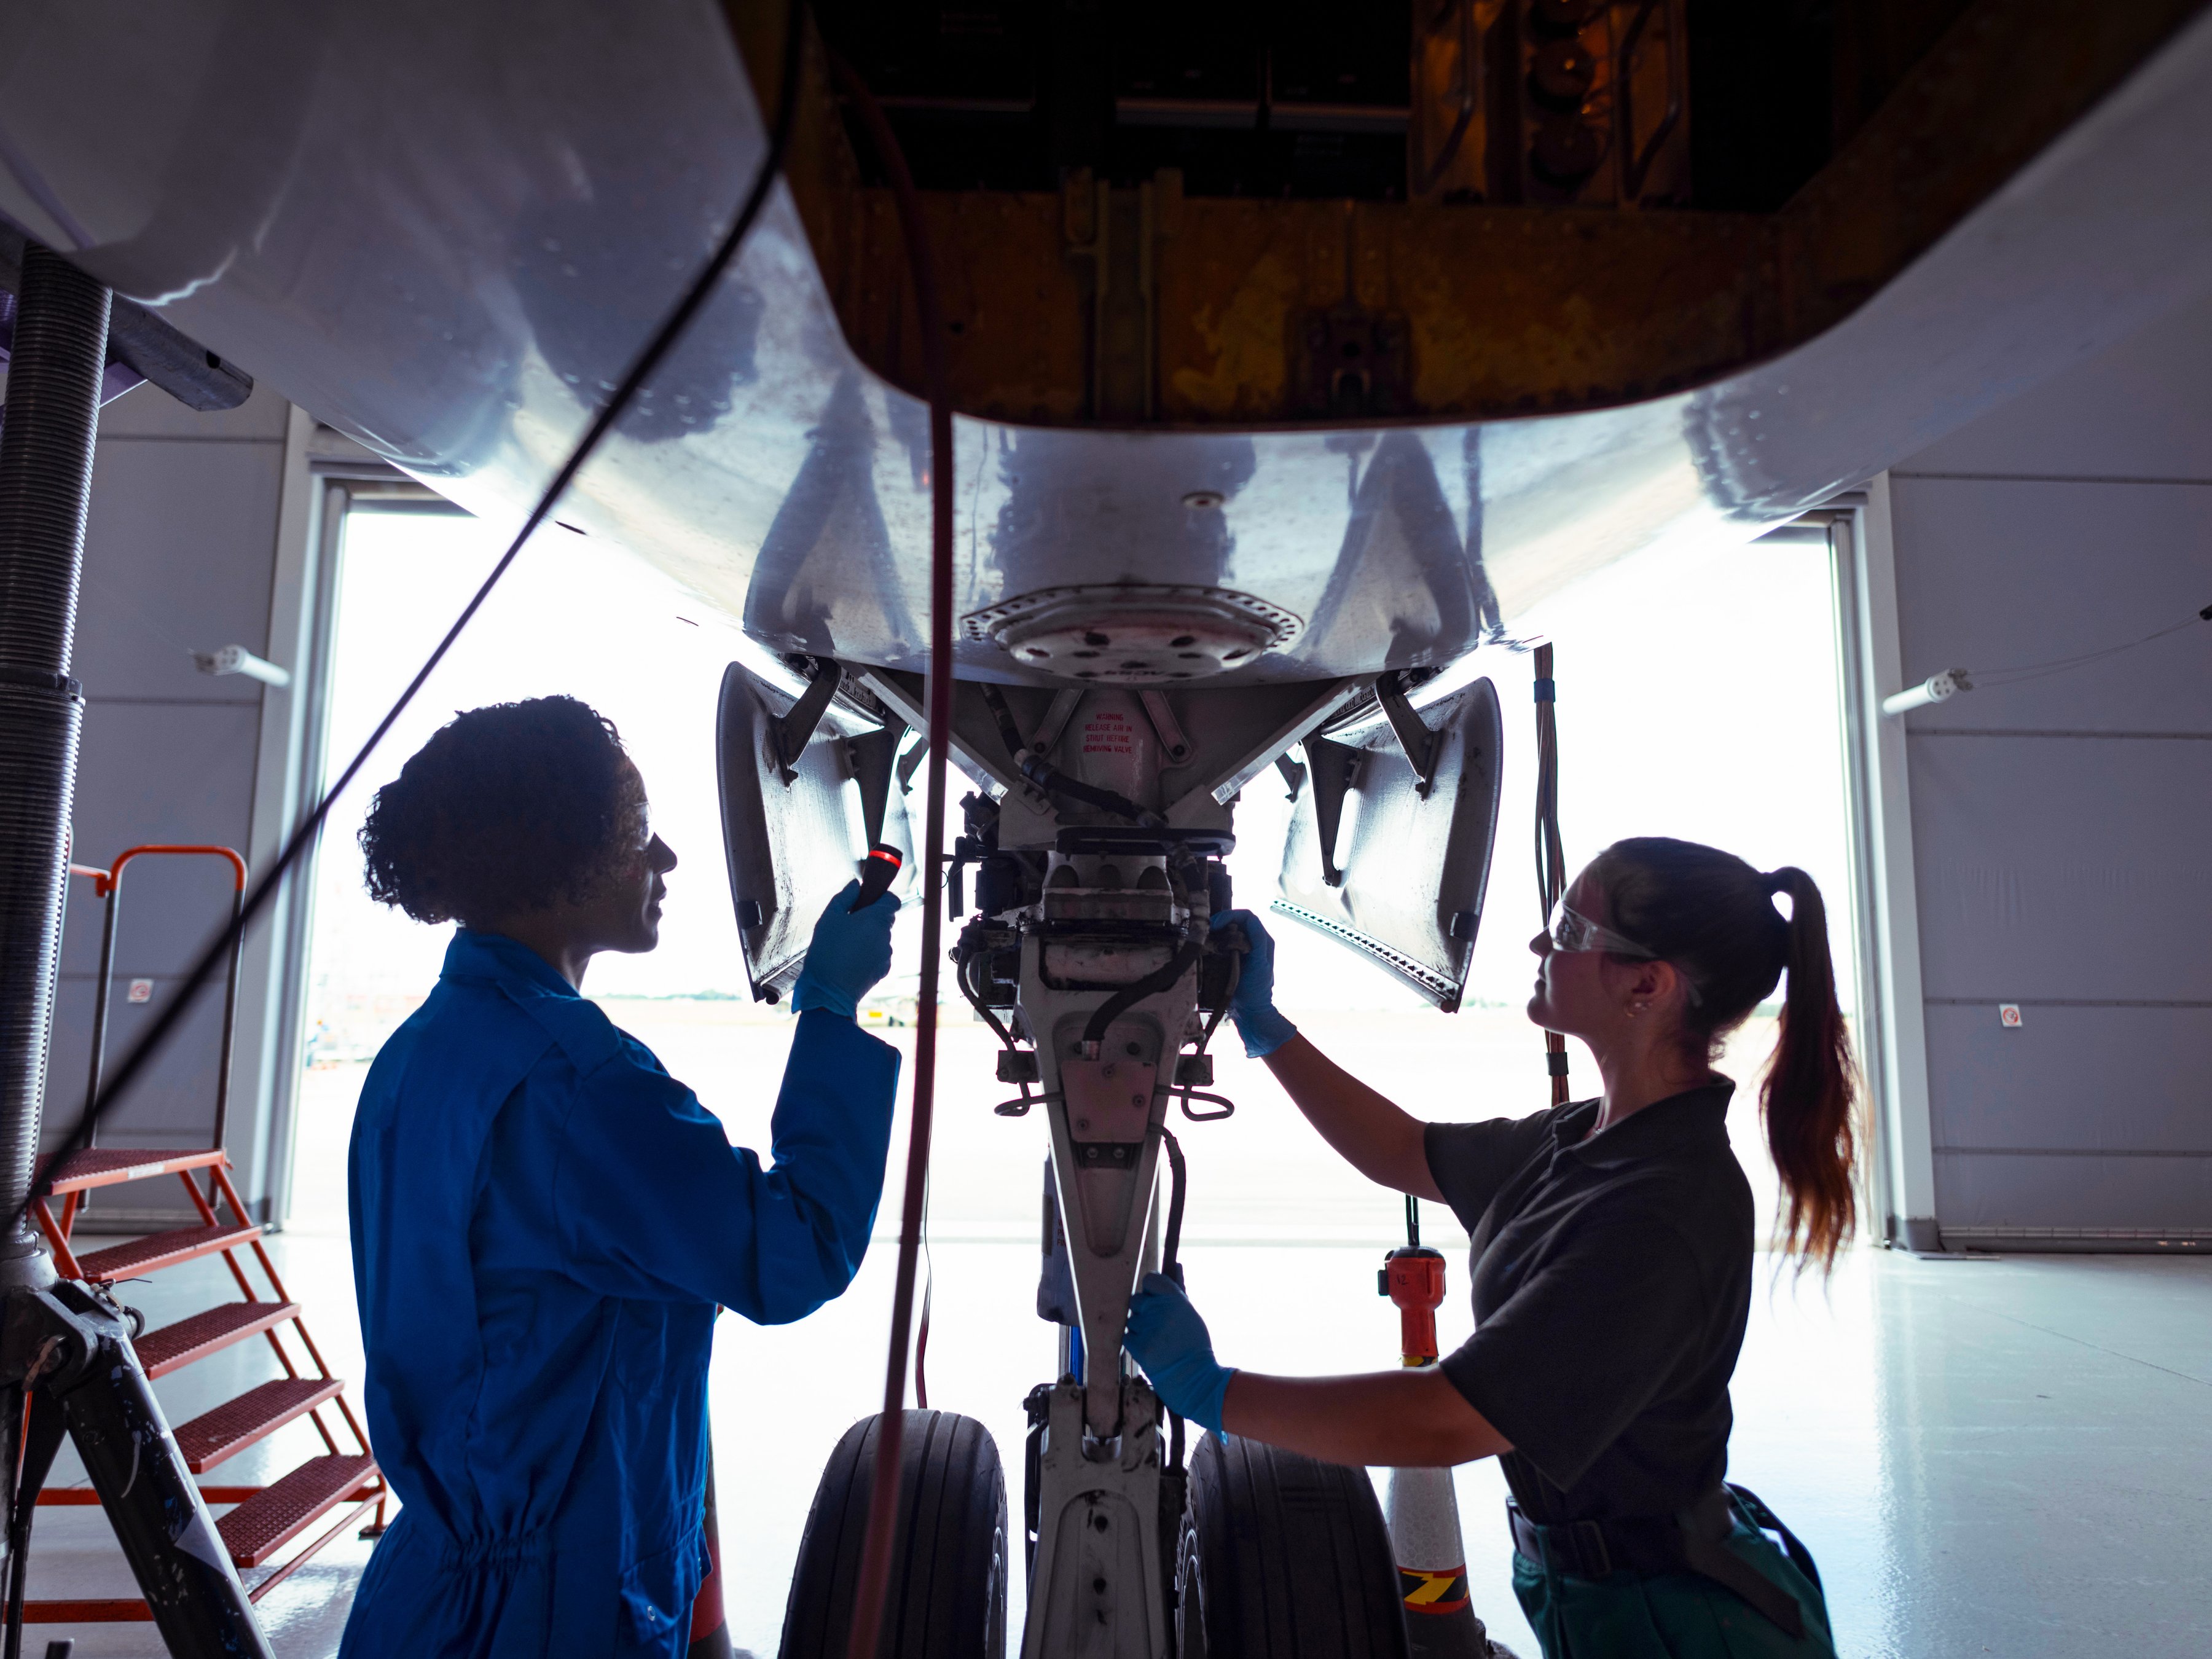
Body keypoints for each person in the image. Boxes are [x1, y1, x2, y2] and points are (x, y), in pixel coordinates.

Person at [1126, 837, 1857, 1658]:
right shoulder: (1584, 1138)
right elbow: (1403, 1150)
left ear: (1647, 986)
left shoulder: (1662, 1210)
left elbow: (1448, 1421)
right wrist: (1265, 1029)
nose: (1543, 946)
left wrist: (1216, 1393)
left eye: (1572, 932)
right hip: (1595, 1591)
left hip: (1682, 1621)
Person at [337, 696, 901, 1658]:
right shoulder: (577, 1087)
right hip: (550, 1618)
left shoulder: (423, 1052)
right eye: (639, 835)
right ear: (554, 863)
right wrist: (833, 1013)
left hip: (429, 1597)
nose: (666, 861)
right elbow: (796, 1252)